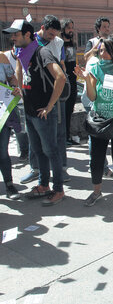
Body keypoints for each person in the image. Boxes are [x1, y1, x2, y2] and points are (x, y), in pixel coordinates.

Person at [4, 19, 66, 206]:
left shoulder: (42, 52)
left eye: (15, 34)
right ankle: (43, 185)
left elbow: (61, 77)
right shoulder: (22, 53)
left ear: (27, 35)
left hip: (43, 113)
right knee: (38, 151)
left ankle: (58, 189)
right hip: (31, 112)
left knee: (51, 151)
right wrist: (19, 89)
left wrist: (50, 106)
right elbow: (19, 73)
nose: (12, 37)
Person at [74, 37, 113, 206]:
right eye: (100, 50)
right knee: (97, 158)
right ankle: (96, 191)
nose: (101, 53)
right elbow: (92, 96)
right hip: (99, 121)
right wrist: (86, 79)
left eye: (105, 50)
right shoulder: (94, 67)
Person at [0, 52, 22, 199]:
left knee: (2, 151)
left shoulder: (1, 57)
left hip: (2, 111)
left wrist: (15, 87)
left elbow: (11, 78)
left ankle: (9, 183)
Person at [60, 18, 79, 146]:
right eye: (68, 28)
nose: (71, 30)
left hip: (73, 80)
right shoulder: (59, 43)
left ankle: (68, 135)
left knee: (70, 109)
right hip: (63, 80)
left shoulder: (73, 43)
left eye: (72, 27)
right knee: (64, 110)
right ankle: (63, 137)